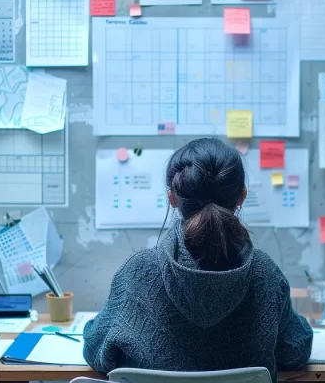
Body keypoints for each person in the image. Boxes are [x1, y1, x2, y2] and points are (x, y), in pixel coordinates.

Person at [83, 138, 313, 380]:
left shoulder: (138, 273)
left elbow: (96, 350)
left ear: (172, 198)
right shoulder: (264, 274)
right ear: (241, 197)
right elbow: (295, 349)